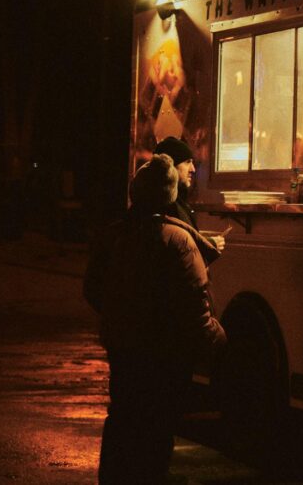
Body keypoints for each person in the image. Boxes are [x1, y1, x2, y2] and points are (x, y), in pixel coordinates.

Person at [84, 154, 226, 484]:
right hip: (165, 354)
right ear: (168, 195)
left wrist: (118, 317)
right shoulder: (179, 240)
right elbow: (195, 302)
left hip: (123, 348)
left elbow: (92, 288)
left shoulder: (114, 235)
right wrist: (218, 340)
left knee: (122, 418)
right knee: (157, 426)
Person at [153, 136, 200, 230]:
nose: (193, 169)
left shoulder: (178, 200)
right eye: (187, 162)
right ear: (171, 166)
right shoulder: (167, 206)